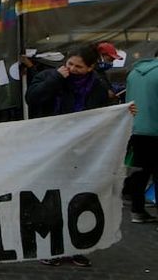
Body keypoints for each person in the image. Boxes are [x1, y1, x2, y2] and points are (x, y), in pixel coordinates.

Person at [25, 45, 126, 266]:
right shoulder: (47, 76)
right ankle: (52, 249)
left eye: (79, 66)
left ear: (90, 68)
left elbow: (102, 116)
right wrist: (55, 80)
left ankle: (74, 246)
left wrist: (124, 113)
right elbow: (33, 99)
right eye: (70, 64)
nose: (72, 69)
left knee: (77, 199)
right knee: (52, 199)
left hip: (81, 152)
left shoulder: (96, 88)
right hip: (51, 150)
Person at [125, 48, 158, 224]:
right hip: (156, 129)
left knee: (140, 172)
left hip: (136, 128)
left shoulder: (134, 73)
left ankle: (137, 211)